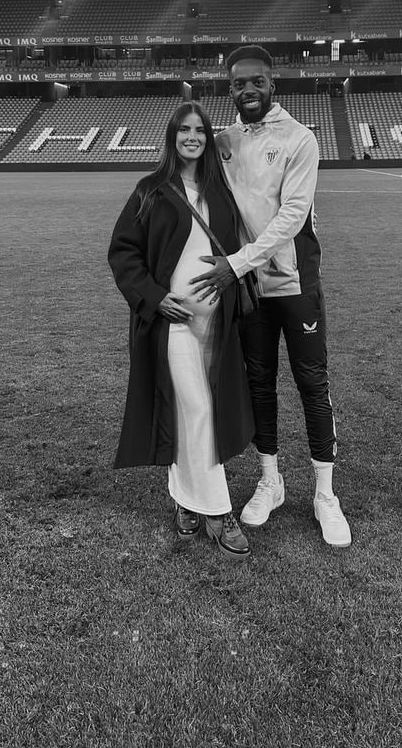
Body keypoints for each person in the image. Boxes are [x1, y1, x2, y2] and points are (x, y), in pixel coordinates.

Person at [191, 45, 352, 548]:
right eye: (238, 84)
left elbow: (292, 217)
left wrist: (235, 264)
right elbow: (187, 165)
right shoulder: (225, 142)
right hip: (249, 289)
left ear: (272, 84)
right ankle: (271, 481)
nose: (247, 91)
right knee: (259, 382)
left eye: (256, 82)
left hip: (294, 282)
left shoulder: (300, 139)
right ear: (230, 90)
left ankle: (325, 494)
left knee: (311, 382)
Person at [108, 101, 254, 559]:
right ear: (172, 136)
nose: (192, 136)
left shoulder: (221, 189)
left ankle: (183, 500)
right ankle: (218, 511)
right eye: (184, 129)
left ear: (209, 138)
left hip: (218, 324)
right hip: (172, 324)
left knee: (198, 410)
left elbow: (238, 248)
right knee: (198, 409)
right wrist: (154, 297)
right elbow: (123, 252)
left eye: (200, 130)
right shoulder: (150, 189)